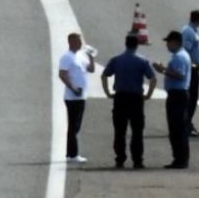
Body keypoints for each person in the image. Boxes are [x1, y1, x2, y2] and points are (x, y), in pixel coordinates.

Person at [101, 34, 158, 169]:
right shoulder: (142, 61)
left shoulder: (116, 59)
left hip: (120, 97)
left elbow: (104, 75)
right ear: (137, 45)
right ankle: (137, 160)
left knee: (119, 131)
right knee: (137, 131)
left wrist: (107, 92)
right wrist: (149, 94)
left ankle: (120, 159)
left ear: (125, 44)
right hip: (136, 98)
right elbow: (153, 78)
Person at [153, 30, 191, 169]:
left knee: (177, 128)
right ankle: (180, 158)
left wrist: (163, 69)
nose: (167, 45)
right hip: (177, 94)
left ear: (175, 42)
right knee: (176, 127)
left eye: (169, 42)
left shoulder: (179, 57)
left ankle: (180, 159)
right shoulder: (179, 55)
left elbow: (180, 74)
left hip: (178, 94)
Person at [58, 32, 95, 163]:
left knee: (76, 126)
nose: (80, 43)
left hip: (81, 96)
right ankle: (73, 154)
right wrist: (72, 88)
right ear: (71, 42)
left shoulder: (80, 56)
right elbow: (62, 74)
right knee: (74, 126)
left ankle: (70, 153)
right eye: (78, 41)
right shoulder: (67, 57)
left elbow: (91, 69)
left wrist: (91, 56)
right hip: (72, 96)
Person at [181, 10, 199, 137]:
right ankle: (186, 124)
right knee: (191, 98)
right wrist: (191, 66)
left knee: (193, 98)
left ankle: (188, 123)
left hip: (194, 69)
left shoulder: (192, 30)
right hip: (192, 69)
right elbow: (186, 50)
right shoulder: (189, 32)